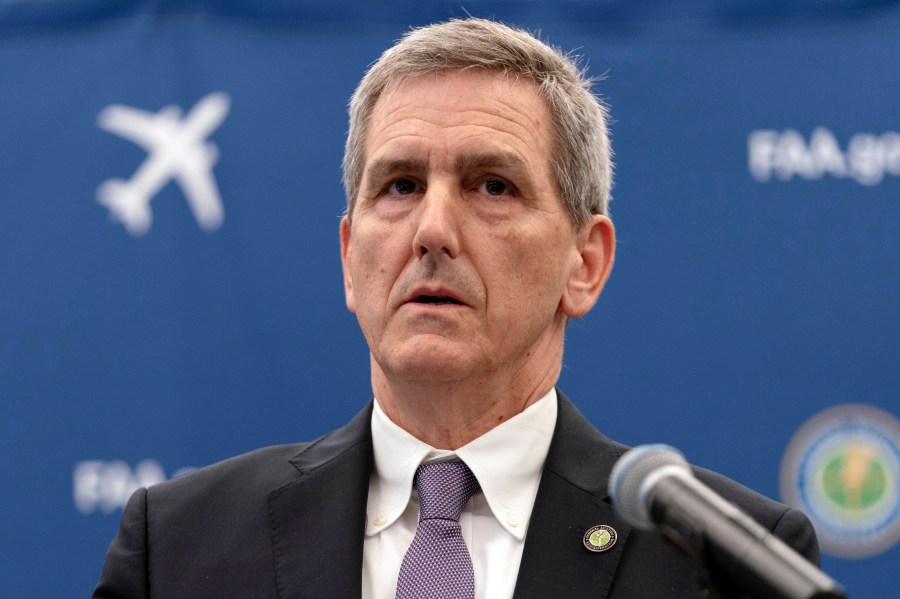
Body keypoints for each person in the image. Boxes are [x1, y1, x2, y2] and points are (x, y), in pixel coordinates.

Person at [93, 17, 819, 598]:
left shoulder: (725, 565)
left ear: (585, 262)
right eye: (401, 185)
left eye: (492, 186)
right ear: (350, 257)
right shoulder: (182, 546)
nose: (432, 230)